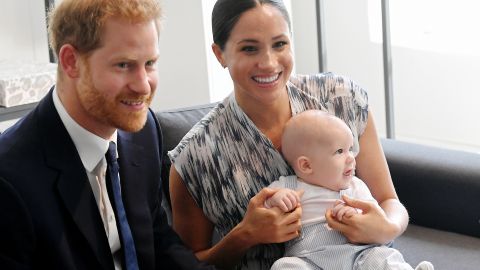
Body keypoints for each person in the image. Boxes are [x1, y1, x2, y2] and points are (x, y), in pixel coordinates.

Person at [168, 0, 409, 269]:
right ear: (220, 54)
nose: (269, 63)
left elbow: (389, 200)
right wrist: (246, 235)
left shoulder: (341, 99)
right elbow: (186, 264)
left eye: (280, 44)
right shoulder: (195, 157)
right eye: (249, 48)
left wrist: (386, 228)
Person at [0, 0, 215, 269]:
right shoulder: (9, 180)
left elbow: (159, 242)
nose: (143, 85)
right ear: (71, 62)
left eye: (149, 63)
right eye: (124, 65)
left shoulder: (143, 131)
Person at [264, 110, 434, 270]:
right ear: (306, 165)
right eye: (340, 151)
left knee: (382, 257)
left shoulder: (356, 186)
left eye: (351, 149)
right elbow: (263, 205)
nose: (351, 157)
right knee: (285, 266)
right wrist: (277, 199)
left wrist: (354, 214)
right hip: (308, 259)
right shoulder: (289, 186)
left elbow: (373, 216)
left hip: (359, 255)